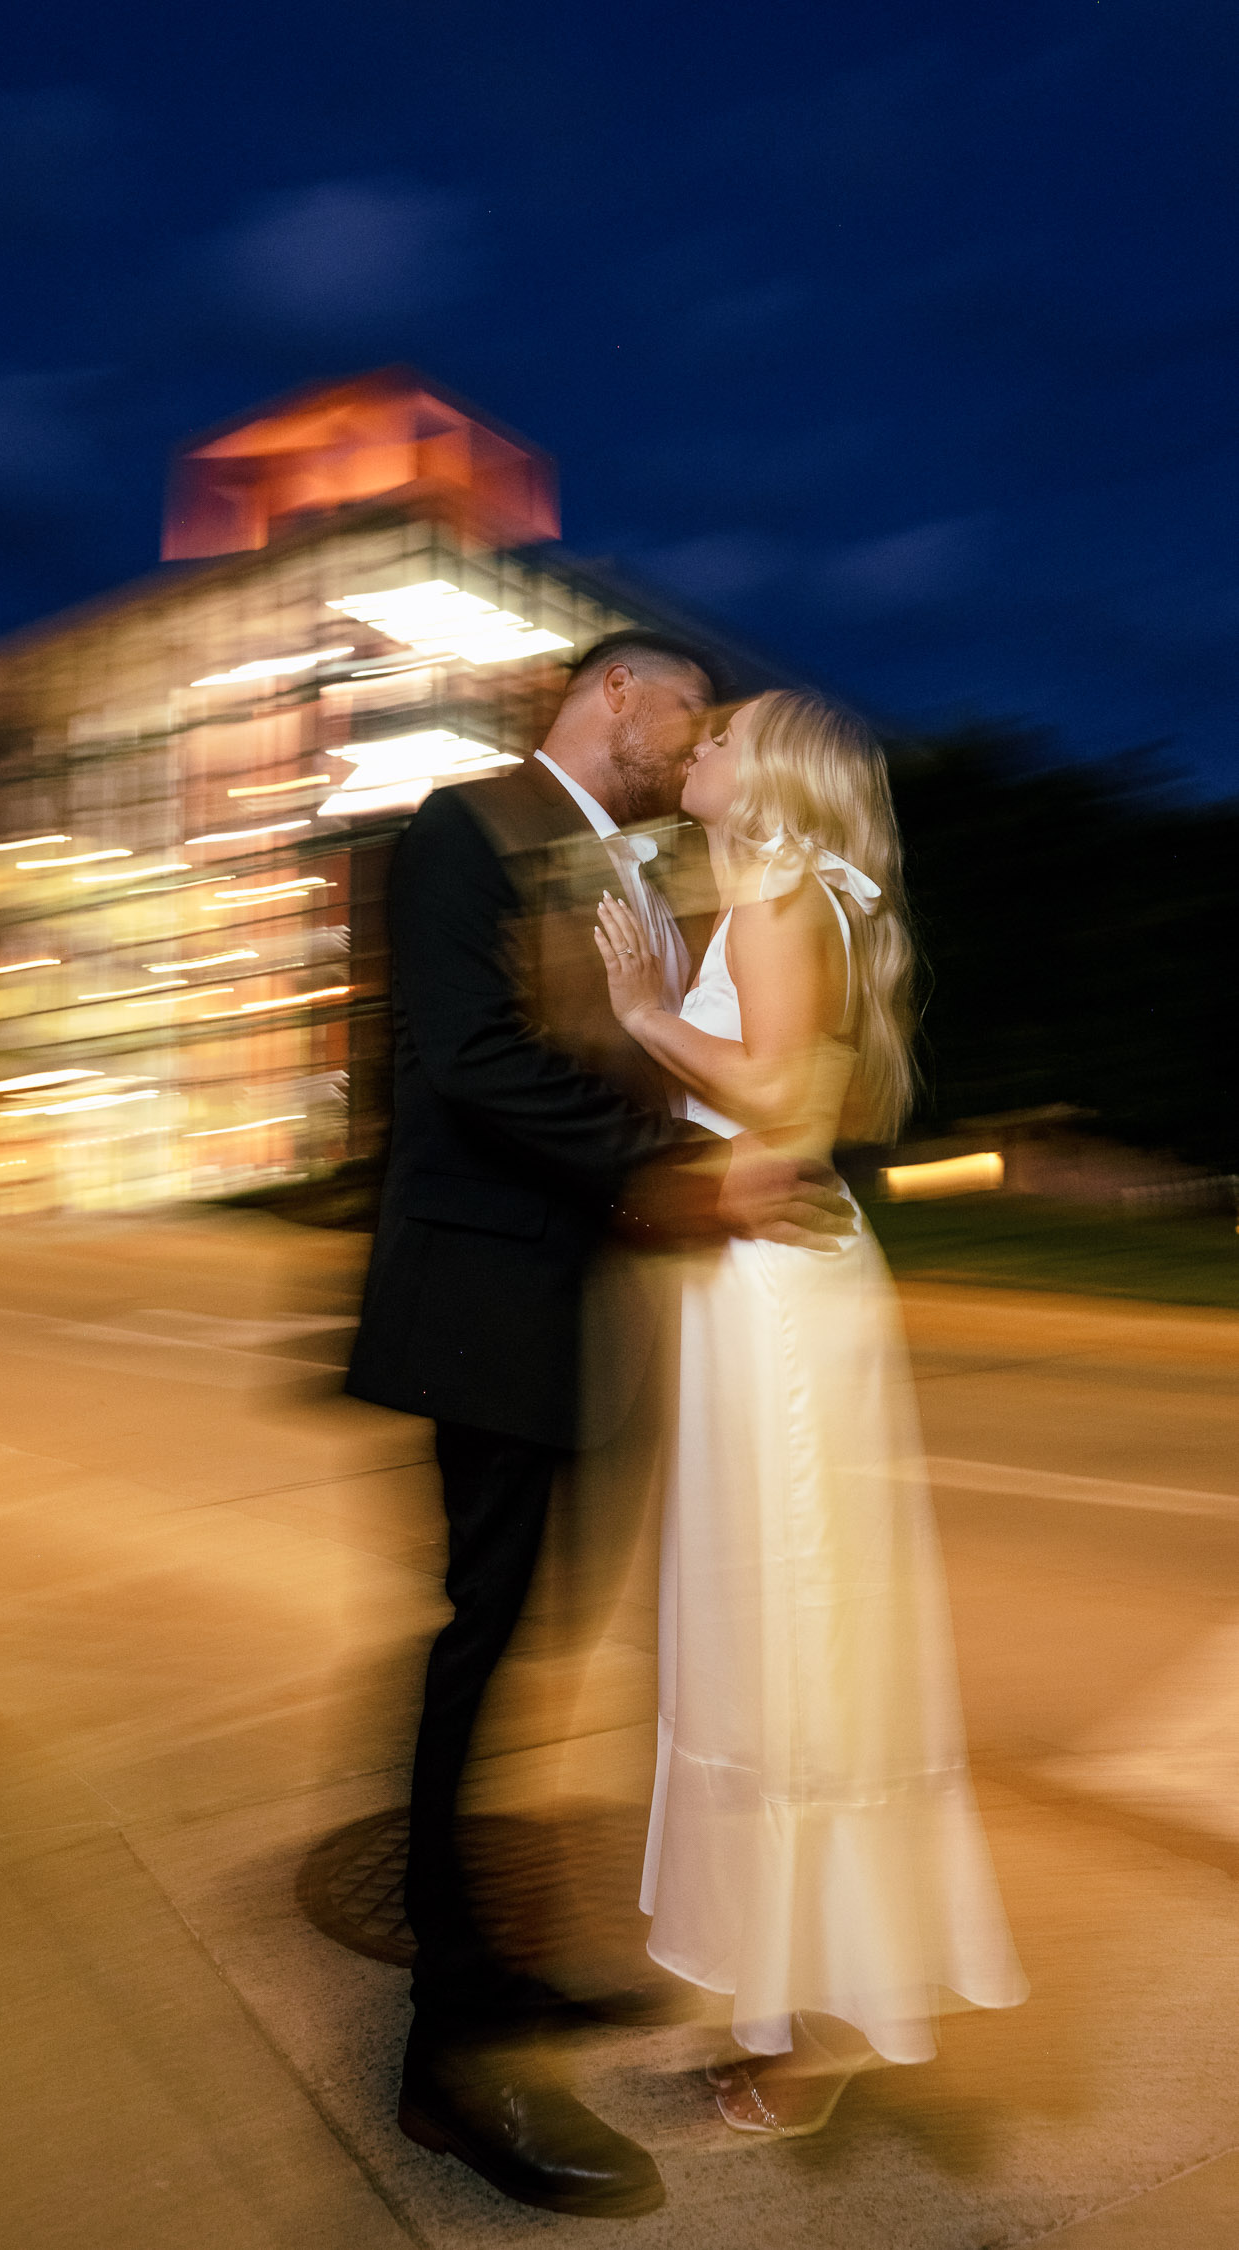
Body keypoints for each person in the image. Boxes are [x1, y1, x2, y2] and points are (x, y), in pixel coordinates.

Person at [345, 634, 851, 2216]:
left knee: (535, 1651)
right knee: (481, 1648)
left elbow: (706, 1046)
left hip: (586, 1315)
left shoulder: (607, 861)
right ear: (617, 696)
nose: (692, 734)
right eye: (684, 708)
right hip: (486, 1308)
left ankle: (493, 1965)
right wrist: (686, 1182)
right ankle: (447, 2054)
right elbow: (479, 1064)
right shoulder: (460, 827)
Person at [594, 688, 1029, 2139]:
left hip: (779, 1311)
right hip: (761, 1292)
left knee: (790, 1642)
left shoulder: (784, 893)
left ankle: (809, 2022)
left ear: (771, 774)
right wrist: (670, 992)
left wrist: (649, 1011)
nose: (696, 747)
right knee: (775, 1641)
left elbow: (785, 1103)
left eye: (718, 732)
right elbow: (796, 1100)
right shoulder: (782, 897)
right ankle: (785, 2002)